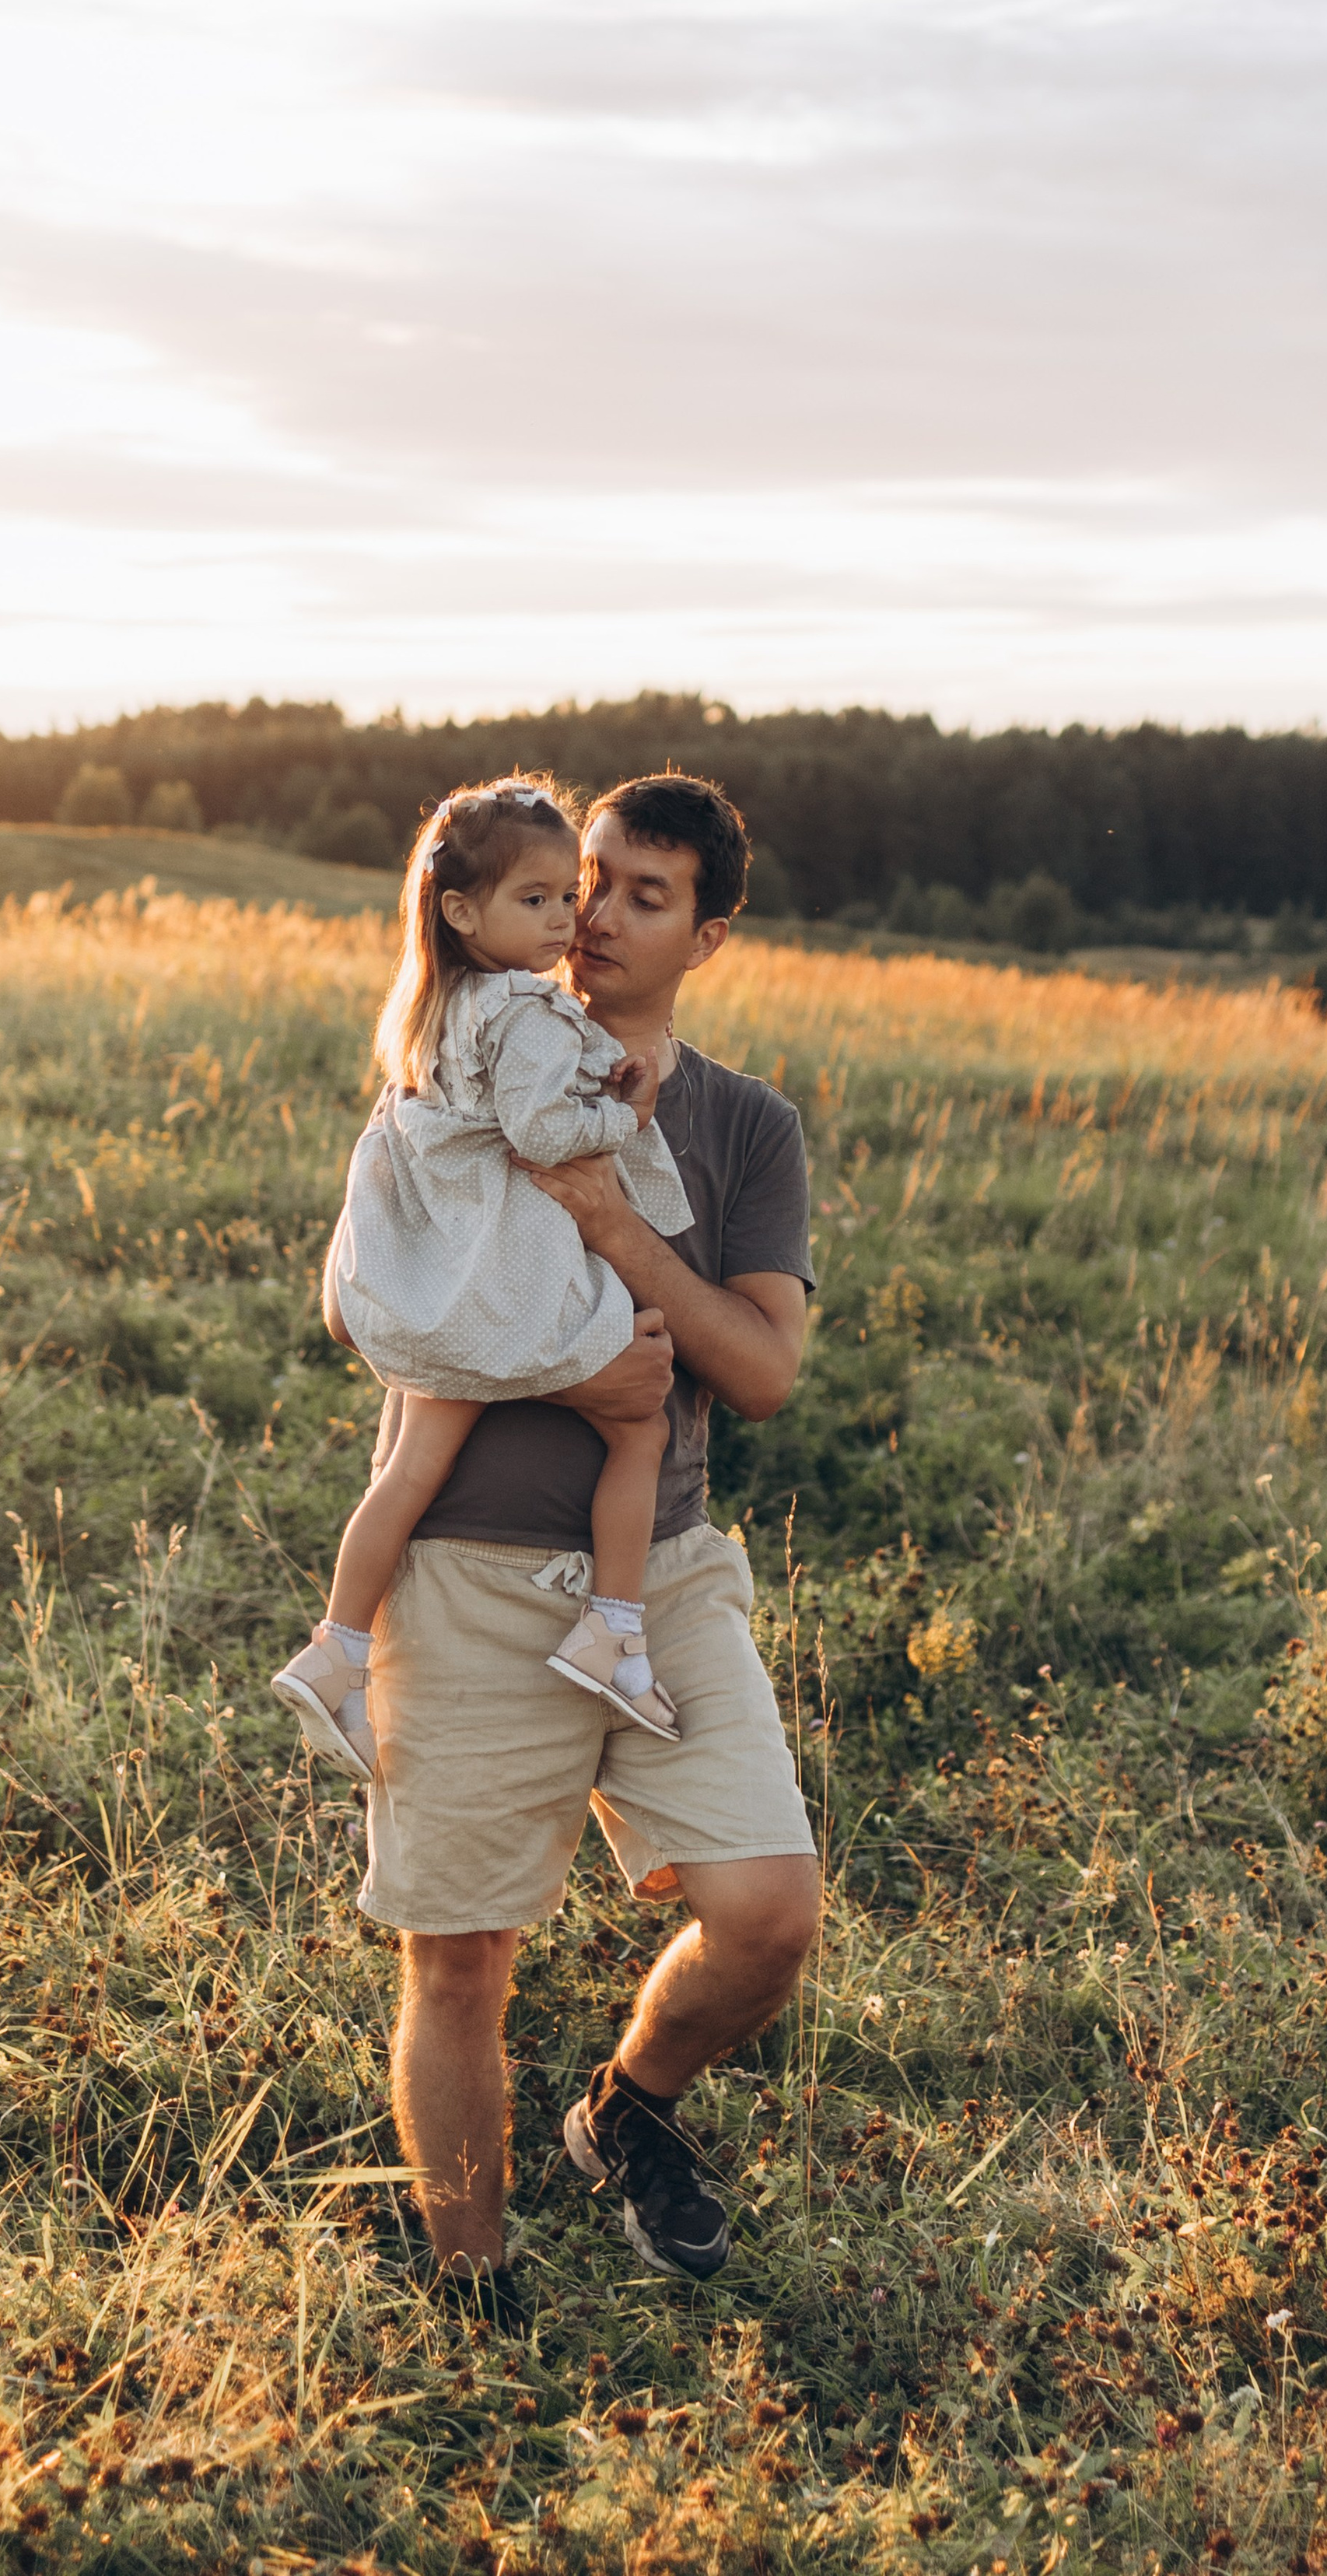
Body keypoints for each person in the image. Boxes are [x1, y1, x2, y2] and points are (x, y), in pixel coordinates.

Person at [341, 773, 819, 2315]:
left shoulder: (743, 1127)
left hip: (659, 1572)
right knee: (460, 1958)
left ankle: (628, 2106)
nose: (596, 917)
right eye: (586, 882)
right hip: (465, 1575)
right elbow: (362, 1302)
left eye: (645, 896)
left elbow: (757, 1371)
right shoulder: (469, 1057)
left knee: (765, 1916)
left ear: (709, 935)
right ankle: (473, 2282)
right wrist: (566, 1369)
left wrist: (617, 1238)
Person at [273, 775, 694, 1777]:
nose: (565, 922)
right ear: (463, 910)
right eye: (536, 900)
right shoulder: (527, 1014)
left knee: (405, 1474)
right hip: (503, 1282)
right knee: (641, 1421)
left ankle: (337, 1648)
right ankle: (615, 1630)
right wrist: (630, 1113)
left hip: (438, 1286)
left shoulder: (431, 1009)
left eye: (565, 894)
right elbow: (546, 1134)